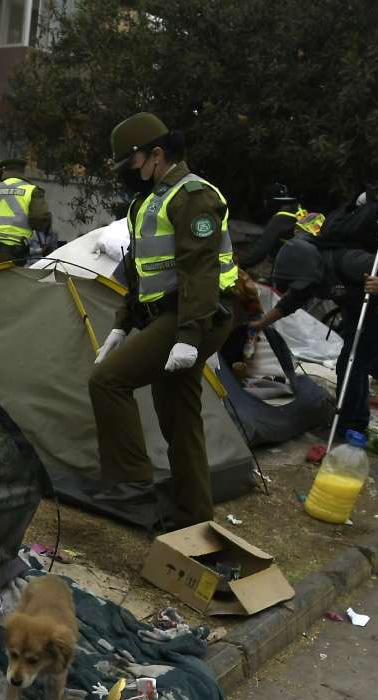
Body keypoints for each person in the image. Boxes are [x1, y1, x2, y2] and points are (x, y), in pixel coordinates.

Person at [89, 113, 238, 528]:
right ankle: (194, 518)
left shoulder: (194, 195)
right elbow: (141, 270)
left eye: (130, 165)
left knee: (108, 381)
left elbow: (200, 270)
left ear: (156, 154)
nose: (127, 176)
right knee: (178, 413)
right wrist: (122, 324)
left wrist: (189, 336)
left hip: (198, 314)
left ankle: (131, 488)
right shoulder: (150, 200)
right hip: (170, 313)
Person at [248, 234, 378, 433]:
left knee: (352, 365)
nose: (301, 287)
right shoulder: (309, 278)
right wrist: (260, 324)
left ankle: (348, 425)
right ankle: (356, 419)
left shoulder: (348, 261)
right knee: (353, 365)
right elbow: (288, 304)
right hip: (358, 309)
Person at [239, 182, 324, 273]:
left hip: (297, 264)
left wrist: (241, 266)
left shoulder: (281, 218)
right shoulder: (297, 209)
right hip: (314, 258)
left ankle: (278, 277)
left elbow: (261, 250)